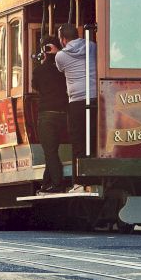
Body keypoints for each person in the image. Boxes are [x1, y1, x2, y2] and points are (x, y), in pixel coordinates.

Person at [54, 23, 97, 192]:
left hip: (77, 102)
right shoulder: (92, 46)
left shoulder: (60, 56)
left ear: (63, 39)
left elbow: (60, 70)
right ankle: (97, 178)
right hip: (95, 97)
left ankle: (80, 182)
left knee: (78, 142)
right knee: (94, 139)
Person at [32, 35, 68, 194]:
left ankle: (57, 184)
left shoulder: (40, 69)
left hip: (47, 115)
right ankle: (46, 183)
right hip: (63, 115)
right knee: (51, 150)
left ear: (45, 50)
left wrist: (44, 61)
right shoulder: (64, 67)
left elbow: (35, 86)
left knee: (50, 151)